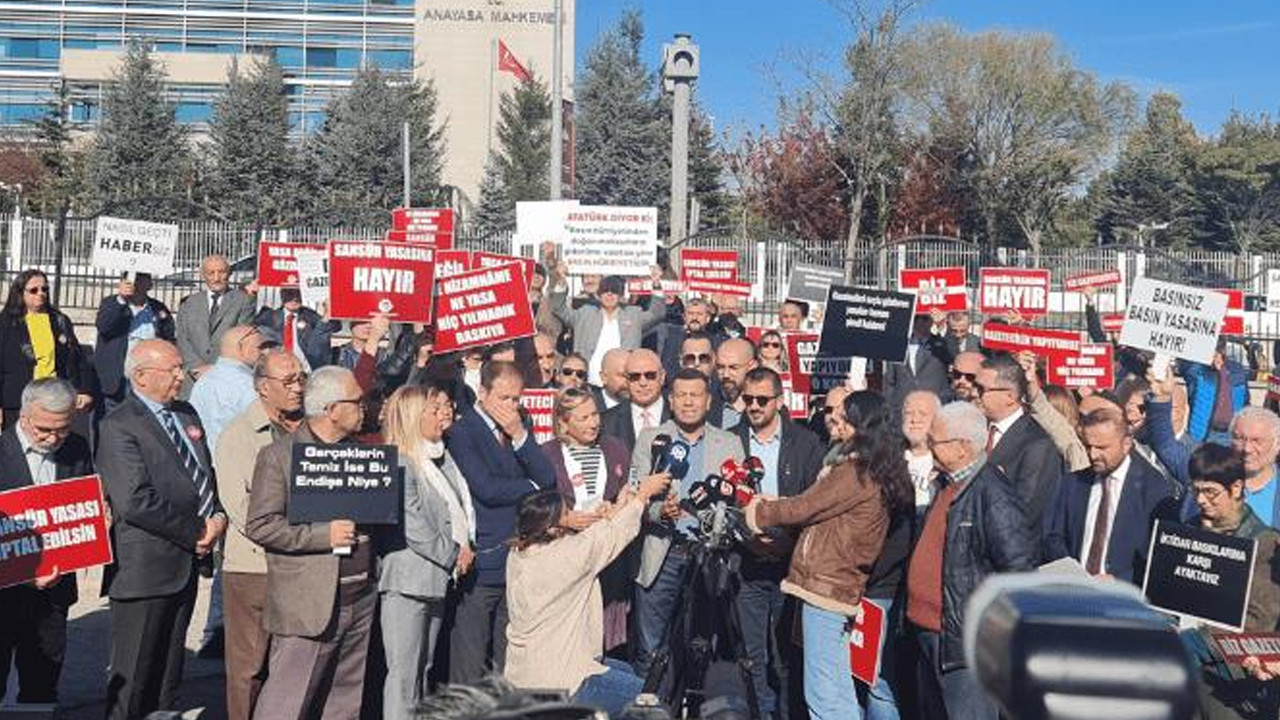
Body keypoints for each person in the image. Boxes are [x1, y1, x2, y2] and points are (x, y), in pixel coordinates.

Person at [745, 390, 912, 720]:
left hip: (826, 586)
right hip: (836, 586)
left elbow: (805, 507)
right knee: (837, 685)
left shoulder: (855, 471)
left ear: (861, 425)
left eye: (845, 416)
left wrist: (758, 512)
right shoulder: (872, 467)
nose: (835, 420)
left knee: (823, 691)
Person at [99, 339, 227, 720]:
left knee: (168, 679)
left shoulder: (186, 414)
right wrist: (196, 532)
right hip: (145, 570)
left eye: (180, 368)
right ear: (141, 376)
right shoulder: (119, 425)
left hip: (185, 566)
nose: (179, 376)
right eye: (171, 369)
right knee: (134, 680)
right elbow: (135, 500)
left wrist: (218, 517)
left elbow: (204, 474)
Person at [245, 366, 372, 720]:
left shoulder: (362, 453)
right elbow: (261, 525)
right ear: (332, 410)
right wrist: (322, 536)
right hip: (309, 603)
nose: (364, 408)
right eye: (357, 402)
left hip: (360, 596)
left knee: (344, 703)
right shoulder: (279, 457)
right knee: (288, 702)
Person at [907, 401, 1035, 720]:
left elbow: (1018, 571)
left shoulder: (993, 494)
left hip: (965, 644)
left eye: (935, 441)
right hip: (929, 632)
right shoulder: (946, 485)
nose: (929, 447)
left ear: (962, 447)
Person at [505, 473, 670, 715]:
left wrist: (617, 508)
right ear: (552, 528)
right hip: (562, 679)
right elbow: (608, 539)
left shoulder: (518, 553)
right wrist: (643, 495)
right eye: (567, 514)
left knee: (626, 671)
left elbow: (589, 541)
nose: (573, 516)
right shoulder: (567, 556)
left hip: (523, 673)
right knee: (651, 701)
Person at [444, 360, 557, 684]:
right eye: (503, 398)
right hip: (483, 559)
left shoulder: (520, 425)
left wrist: (520, 435)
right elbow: (486, 488)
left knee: (508, 664)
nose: (511, 406)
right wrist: (531, 487)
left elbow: (547, 478)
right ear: (482, 393)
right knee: (469, 662)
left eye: (516, 399)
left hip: (517, 559)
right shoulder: (463, 431)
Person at [630, 368, 744, 675]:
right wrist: (659, 511)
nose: (688, 402)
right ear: (671, 400)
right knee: (651, 649)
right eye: (681, 395)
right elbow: (633, 497)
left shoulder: (729, 443)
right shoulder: (651, 439)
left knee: (702, 648)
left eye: (695, 395)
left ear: (708, 401)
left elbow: (737, 503)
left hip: (708, 556)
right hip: (662, 553)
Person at [213, 350, 305, 720]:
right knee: (248, 667)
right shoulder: (238, 435)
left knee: (292, 666)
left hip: (303, 565)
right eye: (289, 381)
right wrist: (302, 533)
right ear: (263, 387)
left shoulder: (309, 429)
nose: (298, 387)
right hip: (254, 567)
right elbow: (242, 509)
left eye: (301, 378)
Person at [728, 367, 824, 720]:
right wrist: (748, 537)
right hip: (747, 562)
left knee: (786, 657)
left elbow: (814, 500)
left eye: (762, 400)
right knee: (752, 655)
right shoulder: (730, 440)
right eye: (748, 399)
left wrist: (786, 541)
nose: (754, 406)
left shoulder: (806, 443)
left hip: (790, 564)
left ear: (779, 401)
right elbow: (724, 502)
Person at [380, 385, 476, 720]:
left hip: (436, 580)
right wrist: (454, 554)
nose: (442, 416)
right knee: (403, 677)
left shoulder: (441, 458)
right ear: (412, 417)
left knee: (423, 669)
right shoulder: (401, 462)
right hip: (408, 581)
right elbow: (414, 525)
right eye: (433, 411)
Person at [0, 379, 92, 704]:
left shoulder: (77, 448)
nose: (53, 439)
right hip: (4, 594)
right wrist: (21, 574)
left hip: (53, 595)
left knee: (41, 688)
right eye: (44, 429)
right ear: (24, 416)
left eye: (62, 429)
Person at [1180, 444, 1280, 720]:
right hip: (1183, 670)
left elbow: (1257, 624)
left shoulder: (1264, 544)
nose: (1201, 500)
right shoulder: (1188, 530)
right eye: (1195, 491)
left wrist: (1192, 642)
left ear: (1236, 488)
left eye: (1210, 492)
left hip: (1229, 682)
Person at [1044, 410, 1174, 584]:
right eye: (1088, 446)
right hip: (1074, 588)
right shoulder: (1074, 482)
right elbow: (1054, 535)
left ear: (1126, 444)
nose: (1093, 455)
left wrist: (1120, 580)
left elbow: (1160, 554)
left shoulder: (1153, 488)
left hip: (1123, 593)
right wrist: (1069, 570)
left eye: (1102, 448)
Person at [977, 352, 1066, 550]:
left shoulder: (1037, 444)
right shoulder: (974, 430)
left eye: (981, 389)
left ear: (1010, 396)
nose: (974, 394)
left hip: (1007, 554)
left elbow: (1025, 510)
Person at [547, 263, 669, 386]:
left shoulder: (633, 314)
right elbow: (559, 309)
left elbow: (657, 313)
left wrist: (656, 283)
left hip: (622, 384)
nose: (609, 294)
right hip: (587, 382)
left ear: (620, 296)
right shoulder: (585, 313)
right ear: (599, 295)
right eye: (605, 291)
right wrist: (561, 281)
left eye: (614, 291)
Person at [0, 269, 90, 429]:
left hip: (55, 398)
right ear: (20, 293)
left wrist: (84, 390)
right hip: (18, 401)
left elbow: (77, 359)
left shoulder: (59, 320)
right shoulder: (6, 323)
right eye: (34, 290)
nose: (40, 293)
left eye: (45, 289)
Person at [94, 272, 175, 414]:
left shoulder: (157, 308)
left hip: (148, 379)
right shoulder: (112, 303)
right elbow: (104, 326)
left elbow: (168, 339)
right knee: (114, 419)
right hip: (119, 379)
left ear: (150, 284)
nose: (136, 284)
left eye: (142, 279)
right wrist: (121, 299)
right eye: (133, 279)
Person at [176, 254, 258, 386]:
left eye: (221, 272)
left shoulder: (243, 301)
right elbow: (182, 338)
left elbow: (241, 339)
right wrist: (196, 366)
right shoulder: (189, 303)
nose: (216, 278)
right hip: (193, 377)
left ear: (229, 274)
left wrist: (216, 369)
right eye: (211, 273)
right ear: (203, 275)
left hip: (226, 378)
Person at [189, 325, 264, 454]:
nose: (262, 353)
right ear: (242, 348)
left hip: (208, 458)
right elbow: (262, 429)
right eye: (259, 347)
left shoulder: (202, 381)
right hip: (240, 459)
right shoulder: (248, 385)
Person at [600, 349, 669, 454]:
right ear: (627, 380)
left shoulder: (678, 415)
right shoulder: (606, 422)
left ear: (662, 377)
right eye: (635, 377)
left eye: (650, 375)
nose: (643, 383)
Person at [253, 287, 340, 371]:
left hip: (305, 369)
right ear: (282, 296)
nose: (294, 299)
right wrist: (251, 296)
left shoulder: (309, 315)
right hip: (279, 368)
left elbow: (335, 327)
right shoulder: (269, 316)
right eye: (289, 294)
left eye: (298, 294)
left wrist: (329, 311)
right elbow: (250, 326)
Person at [883, 315, 952, 418]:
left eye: (924, 318)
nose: (920, 322)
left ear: (931, 321)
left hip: (935, 409)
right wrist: (890, 408)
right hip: (903, 411)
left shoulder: (941, 344)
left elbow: (954, 353)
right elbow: (889, 381)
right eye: (916, 318)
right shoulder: (897, 344)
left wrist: (942, 326)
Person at [1182, 345, 1250, 444]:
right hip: (1204, 434)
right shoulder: (1198, 370)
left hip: (1231, 433)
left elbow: (1245, 400)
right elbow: (1184, 365)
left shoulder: (1236, 369)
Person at [903, 389, 943, 515]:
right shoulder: (890, 459)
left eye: (923, 414)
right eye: (909, 413)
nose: (915, 420)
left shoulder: (945, 462)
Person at [715, 338, 758, 430]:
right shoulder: (706, 406)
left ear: (752, 367)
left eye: (733, 368)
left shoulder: (765, 406)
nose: (726, 375)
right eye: (720, 367)